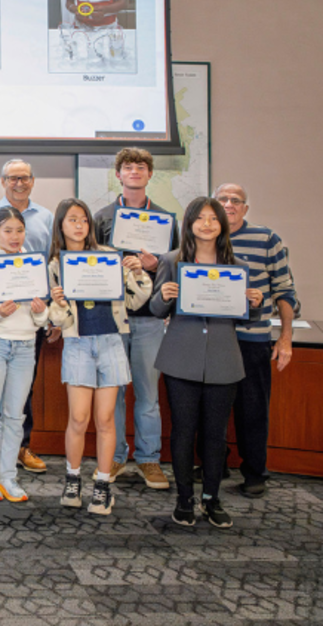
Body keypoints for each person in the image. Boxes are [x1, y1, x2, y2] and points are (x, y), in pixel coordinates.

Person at [150, 197, 263, 529]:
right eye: (200, 218)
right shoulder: (171, 261)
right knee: (183, 433)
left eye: (213, 219)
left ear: (222, 225)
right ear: (189, 224)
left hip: (223, 361)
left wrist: (253, 304)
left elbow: (243, 318)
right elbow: (157, 310)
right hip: (180, 359)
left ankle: (211, 499)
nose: (207, 224)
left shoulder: (237, 267)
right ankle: (184, 499)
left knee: (216, 436)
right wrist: (164, 296)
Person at [48, 198, 152, 515]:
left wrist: (138, 273)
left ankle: (103, 485)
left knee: (105, 419)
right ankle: (72, 479)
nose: (79, 226)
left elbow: (136, 300)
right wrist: (59, 302)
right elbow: (57, 320)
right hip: (78, 345)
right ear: (61, 226)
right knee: (78, 419)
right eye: (72, 220)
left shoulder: (109, 257)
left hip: (110, 342)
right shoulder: (55, 264)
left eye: (84, 220)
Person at [93, 147, 178, 490]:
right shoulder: (101, 218)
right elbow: (90, 266)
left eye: (141, 167)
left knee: (147, 395)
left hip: (149, 319)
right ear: (119, 175)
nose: (134, 172)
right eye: (128, 167)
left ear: (149, 174)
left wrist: (154, 266)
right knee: (113, 393)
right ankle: (115, 456)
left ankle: (148, 458)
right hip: (111, 319)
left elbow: (176, 267)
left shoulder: (166, 219)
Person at [0, 159, 55, 474]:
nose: (19, 183)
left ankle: (19, 448)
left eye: (25, 177)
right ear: (3, 181)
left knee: (23, 391)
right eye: (13, 178)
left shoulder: (46, 218)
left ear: (33, 180)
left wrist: (48, 316)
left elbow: (50, 268)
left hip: (29, 323)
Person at [213, 183, 299, 498]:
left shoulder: (267, 239)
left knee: (252, 409)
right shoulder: (203, 238)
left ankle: (254, 473)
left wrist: (286, 338)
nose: (229, 204)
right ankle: (214, 464)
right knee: (211, 408)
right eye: (222, 199)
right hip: (213, 338)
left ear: (245, 208)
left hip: (253, 339)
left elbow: (285, 291)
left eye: (236, 200)